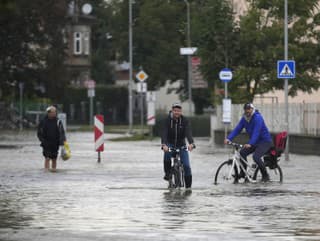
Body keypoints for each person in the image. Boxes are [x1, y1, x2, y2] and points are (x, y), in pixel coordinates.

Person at [224, 103, 273, 182]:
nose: (247, 112)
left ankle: (265, 176)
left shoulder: (258, 118)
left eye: (249, 110)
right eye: (246, 111)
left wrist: (250, 143)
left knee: (256, 157)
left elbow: (256, 132)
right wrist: (228, 138)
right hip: (255, 142)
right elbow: (237, 129)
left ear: (252, 109)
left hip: (265, 141)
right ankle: (243, 173)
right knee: (242, 153)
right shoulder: (244, 118)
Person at [161, 103, 195, 188]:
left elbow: (188, 132)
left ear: (181, 112)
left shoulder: (185, 120)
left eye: (179, 111)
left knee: (187, 165)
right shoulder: (167, 120)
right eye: (175, 110)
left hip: (182, 146)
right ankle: (168, 173)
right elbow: (164, 133)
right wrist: (164, 144)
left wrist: (191, 143)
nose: (177, 112)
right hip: (170, 144)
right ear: (172, 111)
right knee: (167, 154)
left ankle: (188, 188)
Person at [37, 106, 66, 171]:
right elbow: (39, 132)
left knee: (54, 158)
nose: (54, 113)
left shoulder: (58, 121)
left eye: (55, 112)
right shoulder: (43, 121)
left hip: (55, 143)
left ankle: (53, 170)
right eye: (52, 112)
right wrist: (42, 140)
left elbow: (62, 132)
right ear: (48, 113)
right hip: (46, 143)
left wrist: (62, 142)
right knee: (47, 158)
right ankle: (46, 171)